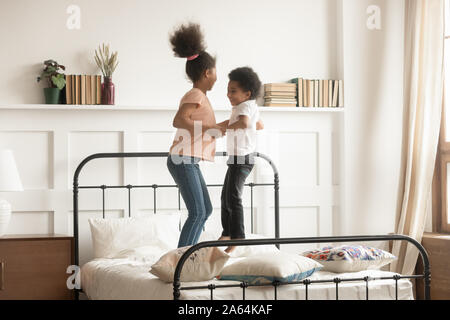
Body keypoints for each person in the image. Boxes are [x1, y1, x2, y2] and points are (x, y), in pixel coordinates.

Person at [167, 23, 227, 247]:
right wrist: (210, 129)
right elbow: (179, 120)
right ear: (207, 72)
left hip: (187, 159)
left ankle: (186, 256)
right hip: (182, 159)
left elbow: (205, 127)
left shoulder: (200, 96)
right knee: (198, 212)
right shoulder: (196, 94)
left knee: (205, 210)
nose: (217, 78)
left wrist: (231, 123)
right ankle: (180, 263)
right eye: (215, 72)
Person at [219, 67, 264, 253]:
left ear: (247, 93)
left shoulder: (245, 106)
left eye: (233, 91)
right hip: (238, 158)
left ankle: (237, 237)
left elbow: (245, 123)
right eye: (228, 90)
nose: (228, 94)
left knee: (233, 197)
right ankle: (227, 232)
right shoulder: (246, 106)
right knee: (226, 196)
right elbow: (258, 125)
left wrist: (224, 129)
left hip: (243, 158)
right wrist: (214, 128)